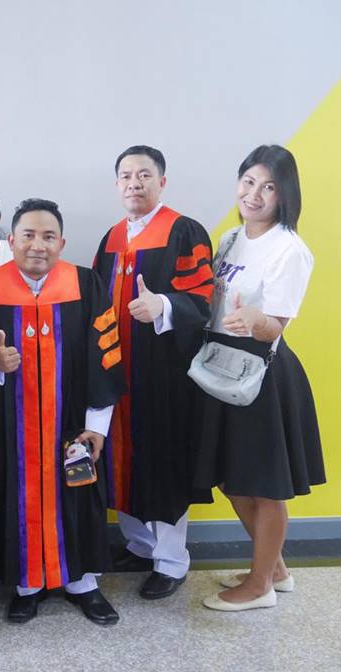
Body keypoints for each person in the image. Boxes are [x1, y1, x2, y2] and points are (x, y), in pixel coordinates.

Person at [0, 198, 124, 626]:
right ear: (11, 240)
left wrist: (97, 426)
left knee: (79, 490)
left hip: (71, 424)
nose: (38, 245)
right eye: (28, 235)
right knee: (11, 494)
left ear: (62, 243)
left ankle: (83, 584)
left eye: (49, 236)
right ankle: (26, 585)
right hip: (8, 429)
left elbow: (105, 357)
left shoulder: (85, 285)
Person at [196, 145, 326, 611]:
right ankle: (275, 569)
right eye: (249, 181)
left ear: (284, 194)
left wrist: (255, 319)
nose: (254, 194)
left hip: (260, 373)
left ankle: (259, 586)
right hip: (221, 367)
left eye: (268, 187)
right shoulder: (231, 238)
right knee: (233, 479)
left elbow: (276, 327)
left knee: (264, 484)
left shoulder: (289, 249)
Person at [92, 145, 214, 600]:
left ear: (162, 182)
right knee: (120, 459)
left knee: (161, 463)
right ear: (117, 184)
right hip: (118, 370)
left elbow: (203, 297)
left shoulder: (183, 231)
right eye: (126, 175)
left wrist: (162, 305)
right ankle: (140, 546)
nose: (134, 183)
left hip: (164, 375)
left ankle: (171, 560)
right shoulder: (111, 238)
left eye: (144, 174)